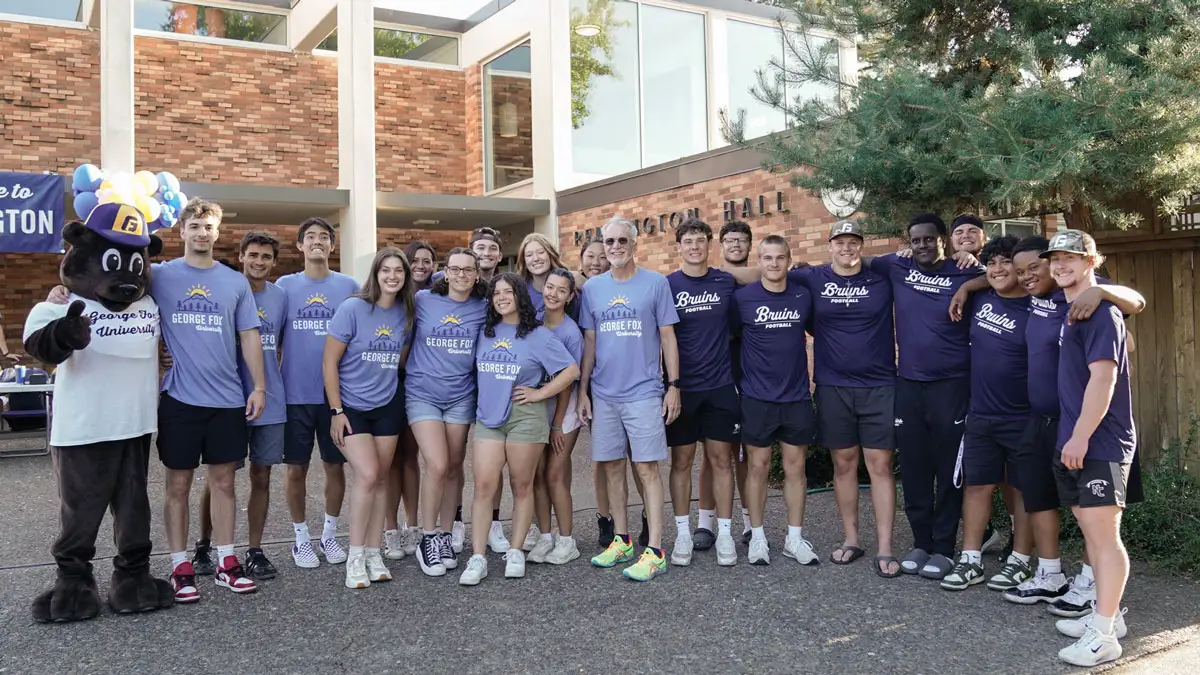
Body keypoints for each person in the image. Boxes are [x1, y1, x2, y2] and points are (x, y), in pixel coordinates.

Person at [153, 198, 266, 600]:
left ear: (218, 234)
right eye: (195, 226)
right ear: (181, 231)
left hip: (227, 400)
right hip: (180, 399)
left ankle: (225, 562)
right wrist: (64, 288)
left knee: (223, 484)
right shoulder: (159, 276)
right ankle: (180, 566)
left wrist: (259, 387)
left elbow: (250, 336)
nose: (202, 233)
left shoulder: (233, 282)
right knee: (178, 485)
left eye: (209, 227)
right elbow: (114, 287)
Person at [1038, 230, 1137, 666]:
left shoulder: (1099, 312)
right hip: (1076, 439)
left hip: (1100, 440)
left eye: (1070, 259)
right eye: (1055, 259)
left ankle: (1104, 637)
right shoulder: (1073, 309)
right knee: (1089, 529)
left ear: (1092, 261)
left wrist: (1079, 436)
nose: (1060, 266)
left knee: (1103, 534)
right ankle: (1107, 617)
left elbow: (1104, 378)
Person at [869, 213, 984, 580]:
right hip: (909, 384)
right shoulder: (896, 266)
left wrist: (969, 285)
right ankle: (920, 542)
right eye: (915, 239)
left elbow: (1007, 276)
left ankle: (944, 548)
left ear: (943, 240)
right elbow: (853, 261)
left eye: (929, 239)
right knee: (915, 466)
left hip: (952, 384)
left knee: (949, 467)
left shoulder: (963, 270)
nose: (921, 245)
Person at [788, 220, 899, 577]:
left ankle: (885, 547)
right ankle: (851, 539)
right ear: (830, 246)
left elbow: (920, 263)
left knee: (880, 466)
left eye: (853, 242)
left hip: (879, 386)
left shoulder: (881, 275)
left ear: (861, 246)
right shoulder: (813, 278)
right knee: (844, 465)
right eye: (840, 242)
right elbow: (766, 275)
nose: (847, 248)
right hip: (833, 387)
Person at [459, 274, 579, 585]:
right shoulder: (485, 332)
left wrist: (540, 394)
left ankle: (515, 551)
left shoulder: (537, 335)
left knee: (521, 484)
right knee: (484, 486)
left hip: (525, 417)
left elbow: (571, 370)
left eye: (507, 292)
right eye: (496, 293)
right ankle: (478, 557)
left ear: (519, 296)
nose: (501, 297)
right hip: (489, 418)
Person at [579, 216, 681, 582]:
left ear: (635, 244)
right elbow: (589, 343)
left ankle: (655, 550)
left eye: (623, 240)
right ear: (602, 246)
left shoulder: (655, 284)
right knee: (611, 467)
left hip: (643, 391)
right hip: (604, 394)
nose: (616, 247)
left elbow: (668, 337)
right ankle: (621, 541)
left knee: (647, 468)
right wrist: (583, 392)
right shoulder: (592, 288)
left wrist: (674, 385)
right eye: (609, 242)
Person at [940, 235, 1036, 592]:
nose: (997, 269)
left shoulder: (1038, 306)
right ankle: (971, 560)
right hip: (980, 414)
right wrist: (967, 286)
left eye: (1005, 263)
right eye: (991, 262)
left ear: (1021, 269)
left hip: (1024, 417)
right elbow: (985, 278)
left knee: (1023, 489)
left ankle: (1021, 561)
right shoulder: (982, 299)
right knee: (976, 486)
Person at [191, 232, 288, 580]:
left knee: (262, 475)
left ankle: (255, 550)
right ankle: (205, 545)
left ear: (273, 262)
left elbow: (286, 344)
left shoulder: (280, 297)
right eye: (253, 255)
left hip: (270, 400)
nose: (259, 262)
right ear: (242, 256)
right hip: (227, 397)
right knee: (220, 477)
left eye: (266, 256)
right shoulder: (225, 286)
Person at [324, 247, 414, 589]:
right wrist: (336, 410)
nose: (392, 276)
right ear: (375, 274)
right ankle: (355, 555)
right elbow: (329, 362)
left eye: (399, 271)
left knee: (380, 479)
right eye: (386, 270)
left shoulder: (405, 313)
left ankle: (375, 552)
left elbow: (400, 358)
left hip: (387, 405)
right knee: (368, 474)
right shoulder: (353, 308)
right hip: (351, 406)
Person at [276, 217, 360, 569]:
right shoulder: (283, 286)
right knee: (295, 469)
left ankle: (328, 535)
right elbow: (272, 337)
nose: (317, 242)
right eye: (309, 236)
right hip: (294, 395)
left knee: (334, 467)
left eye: (323, 237)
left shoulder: (349, 286)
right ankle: (300, 539)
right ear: (299, 245)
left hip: (335, 397)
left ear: (332, 246)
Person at [732, 235, 819, 566]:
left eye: (779, 258)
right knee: (758, 467)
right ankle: (757, 537)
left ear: (788, 260)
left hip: (796, 396)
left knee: (796, 468)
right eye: (767, 258)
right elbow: (730, 338)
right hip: (757, 398)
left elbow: (815, 330)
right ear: (759, 261)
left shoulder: (802, 296)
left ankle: (794, 539)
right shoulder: (743, 299)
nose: (773, 264)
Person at [407, 247, 489, 576]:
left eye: (468, 270)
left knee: (454, 466)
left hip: (461, 396)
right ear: (445, 272)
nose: (461, 275)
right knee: (437, 464)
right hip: (422, 393)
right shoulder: (425, 300)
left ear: (477, 274)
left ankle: (444, 533)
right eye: (455, 269)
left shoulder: (483, 308)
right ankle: (426, 537)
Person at [664, 218, 740, 567]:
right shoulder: (666, 286)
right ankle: (681, 534)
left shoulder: (726, 282)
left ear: (710, 245)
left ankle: (724, 533)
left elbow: (737, 329)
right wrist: (670, 387)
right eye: (688, 241)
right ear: (678, 247)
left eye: (700, 240)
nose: (694, 246)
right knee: (681, 462)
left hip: (720, 386)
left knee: (721, 461)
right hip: (682, 390)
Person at [696, 219, 754, 548]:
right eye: (729, 240)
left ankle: (749, 524)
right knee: (712, 454)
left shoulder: (760, 280)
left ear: (749, 246)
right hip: (716, 374)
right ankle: (705, 524)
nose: (735, 245)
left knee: (744, 453)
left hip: (752, 375)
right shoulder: (714, 281)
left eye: (741, 241)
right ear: (720, 246)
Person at [382, 241, 438, 560]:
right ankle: (390, 530)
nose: (420, 265)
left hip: (419, 387)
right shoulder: (390, 300)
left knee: (410, 458)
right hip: (388, 383)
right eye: (413, 260)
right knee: (390, 460)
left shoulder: (433, 298)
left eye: (426, 261)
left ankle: (413, 525)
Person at [533, 269, 586, 565]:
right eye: (549, 287)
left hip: (563, 411)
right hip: (538, 408)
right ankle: (544, 536)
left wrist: (556, 424)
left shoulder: (570, 332)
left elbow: (568, 381)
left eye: (560, 290)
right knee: (537, 475)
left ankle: (567, 540)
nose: (552, 293)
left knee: (554, 474)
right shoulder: (534, 322)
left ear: (570, 296)